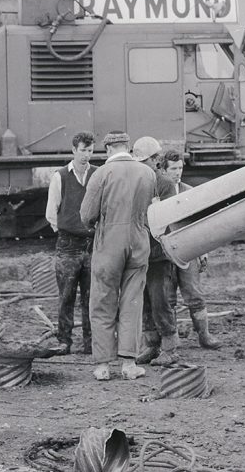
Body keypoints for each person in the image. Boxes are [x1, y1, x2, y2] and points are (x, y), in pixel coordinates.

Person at [80, 131, 157, 381]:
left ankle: (103, 365)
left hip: (109, 243)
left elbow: (87, 215)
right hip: (139, 241)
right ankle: (129, 364)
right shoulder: (148, 173)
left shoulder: (101, 173)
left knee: (102, 300)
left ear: (109, 149)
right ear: (127, 147)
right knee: (133, 302)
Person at [161, 150, 220, 350]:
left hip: (189, 252)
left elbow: (199, 225)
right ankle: (172, 339)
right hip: (165, 253)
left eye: (180, 168)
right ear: (164, 169)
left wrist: (203, 251)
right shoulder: (157, 193)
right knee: (167, 298)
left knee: (194, 293)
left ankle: (204, 335)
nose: (177, 172)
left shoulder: (189, 192)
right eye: (173, 169)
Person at [45, 131, 97, 355]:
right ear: (74, 150)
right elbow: (51, 212)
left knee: (91, 296)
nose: (86, 155)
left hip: (92, 245)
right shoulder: (60, 177)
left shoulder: (97, 175)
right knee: (66, 295)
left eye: (90, 150)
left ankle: (90, 342)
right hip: (68, 246)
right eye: (83, 150)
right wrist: (68, 229)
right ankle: (64, 341)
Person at [133, 137, 181, 366]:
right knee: (143, 300)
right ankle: (151, 345)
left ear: (155, 160)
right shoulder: (136, 182)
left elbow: (167, 218)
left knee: (160, 300)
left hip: (158, 254)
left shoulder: (164, 184)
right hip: (139, 252)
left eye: (148, 160)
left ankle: (170, 348)